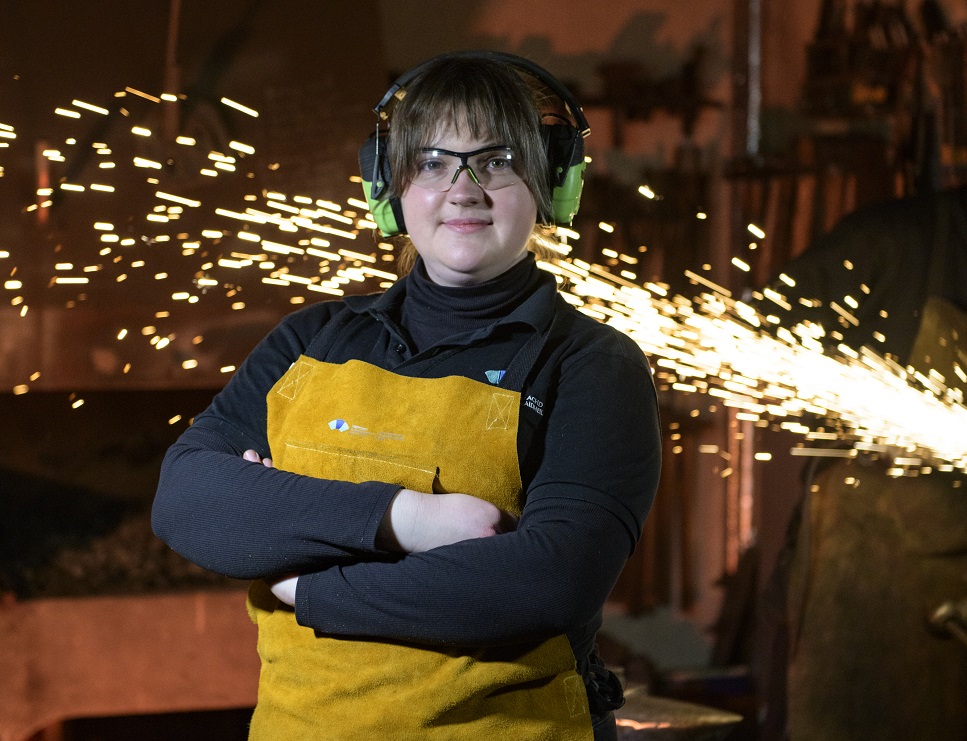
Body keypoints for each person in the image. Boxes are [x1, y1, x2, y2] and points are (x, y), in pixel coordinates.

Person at [152, 51, 661, 741]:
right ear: (386, 187)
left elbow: (547, 578)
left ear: (552, 182)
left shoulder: (591, 365)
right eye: (430, 162)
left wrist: (309, 585)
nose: (462, 189)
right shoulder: (311, 339)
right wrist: (408, 520)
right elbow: (186, 498)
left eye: (497, 159)